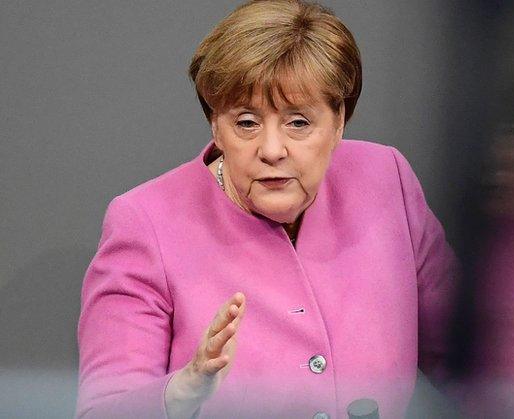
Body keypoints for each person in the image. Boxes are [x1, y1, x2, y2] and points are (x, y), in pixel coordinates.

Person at [76, 1, 455, 418]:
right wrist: (182, 392)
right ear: (215, 125)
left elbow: (474, 357)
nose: (272, 150)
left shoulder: (386, 180)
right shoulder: (145, 222)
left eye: (298, 122)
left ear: (339, 121)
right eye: (246, 123)